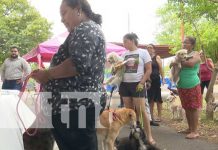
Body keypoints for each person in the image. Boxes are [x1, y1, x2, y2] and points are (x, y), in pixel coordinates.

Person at [31, 0, 106, 149]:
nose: (62, 19)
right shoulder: (84, 29)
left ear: (78, 9)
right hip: (73, 106)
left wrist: (46, 75)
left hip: (76, 106)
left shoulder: (85, 28)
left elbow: (76, 63)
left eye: (64, 13)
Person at [119, 33, 156, 145]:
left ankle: (149, 137)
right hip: (125, 84)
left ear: (132, 40)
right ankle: (134, 136)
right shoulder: (124, 54)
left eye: (125, 41)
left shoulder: (143, 52)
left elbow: (149, 70)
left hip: (137, 84)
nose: (124, 43)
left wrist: (142, 82)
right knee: (130, 112)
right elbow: (120, 69)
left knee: (142, 111)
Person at [172, 36, 202, 139]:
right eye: (183, 42)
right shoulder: (180, 54)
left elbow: (190, 64)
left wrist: (177, 62)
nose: (184, 44)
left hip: (192, 84)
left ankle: (195, 131)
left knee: (193, 108)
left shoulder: (196, 54)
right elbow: (173, 65)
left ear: (192, 45)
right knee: (187, 107)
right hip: (181, 84)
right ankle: (190, 129)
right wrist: (175, 62)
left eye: (187, 43)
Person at [147, 44, 165, 123]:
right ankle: (151, 116)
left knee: (158, 98)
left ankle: (159, 116)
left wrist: (163, 78)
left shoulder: (157, 57)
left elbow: (161, 68)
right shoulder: (146, 58)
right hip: (148, 80)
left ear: (154, 49)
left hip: (156, 79)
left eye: (150, 48)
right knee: (150, 98)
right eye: (147, 48)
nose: (149, 49)